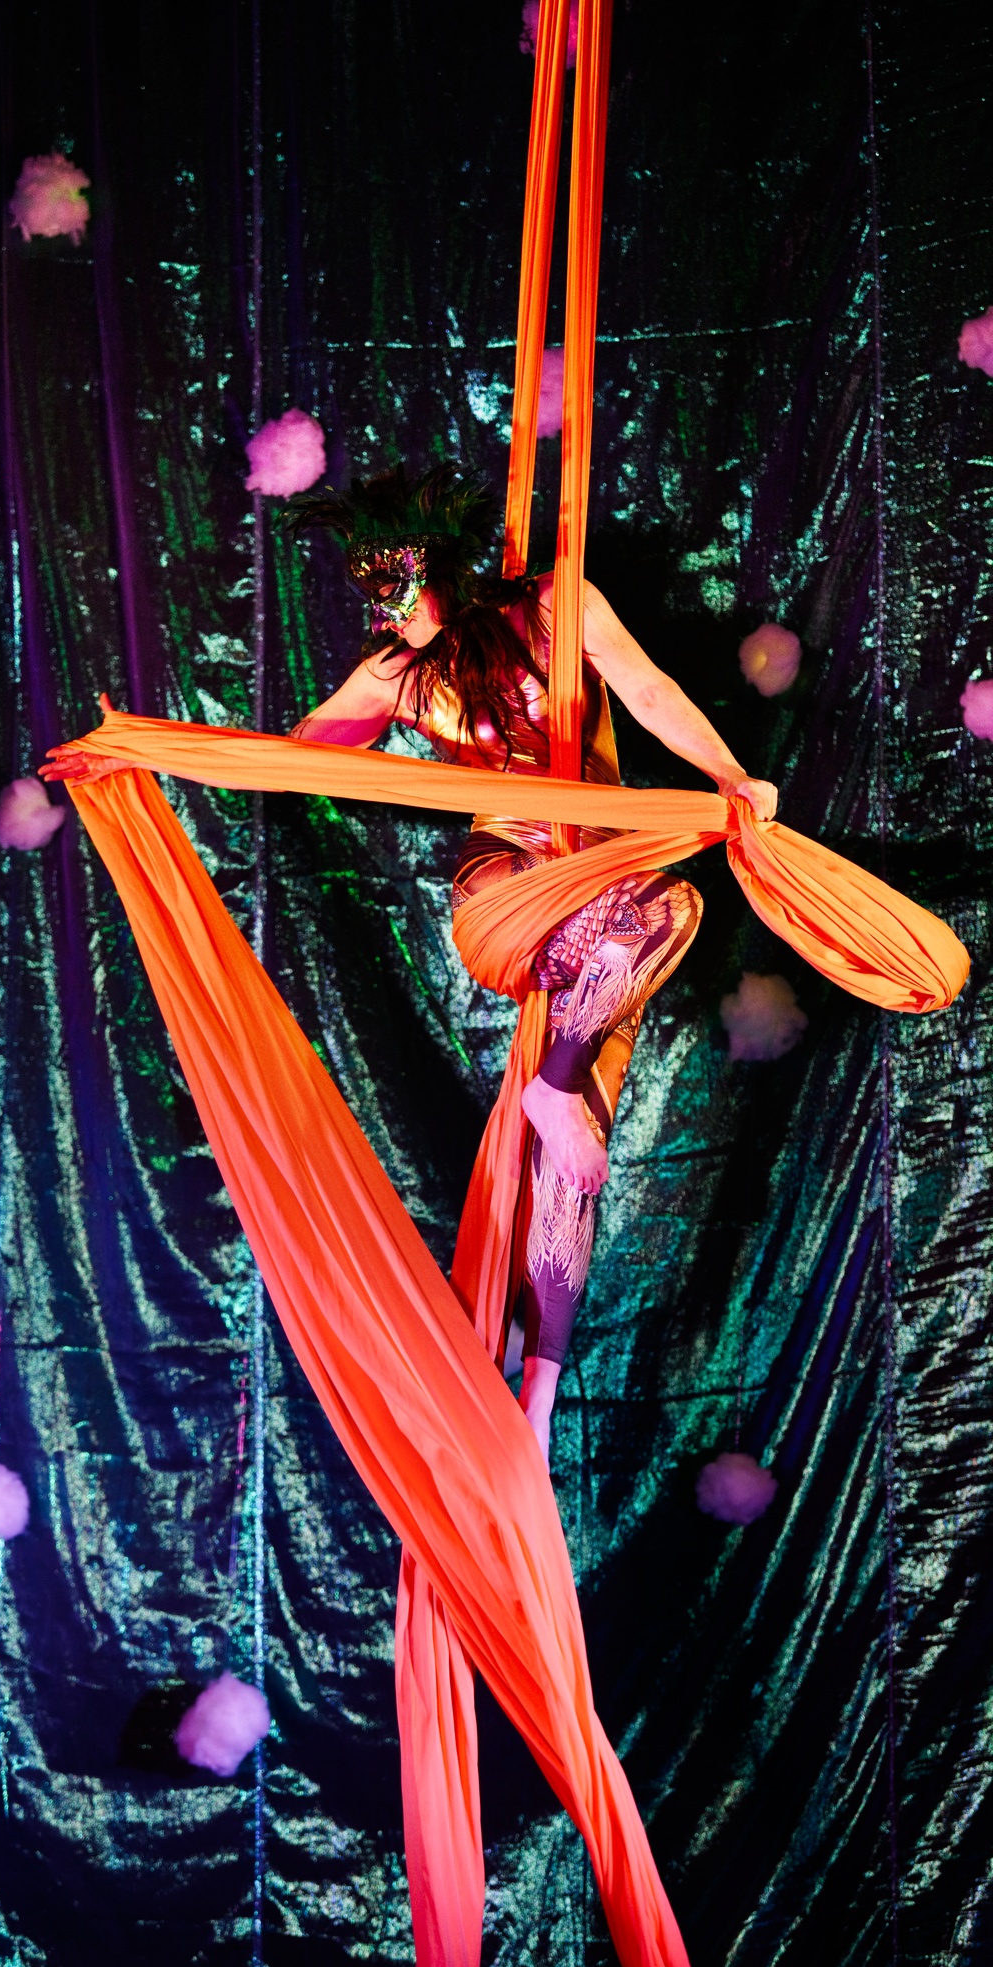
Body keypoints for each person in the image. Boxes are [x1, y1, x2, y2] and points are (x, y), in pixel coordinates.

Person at [289, 465, 777, 1462]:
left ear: (440, 565)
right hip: (506, 893)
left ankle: (536, 1406)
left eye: (394, 585)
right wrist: (178, 749)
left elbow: (648, 690)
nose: (383, 610)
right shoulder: (396, 672)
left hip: (603, 917)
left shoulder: (556, 606)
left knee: (579, 1155)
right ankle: (551, 1087)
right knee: (644, 923)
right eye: (368, 591)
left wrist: (732, 777)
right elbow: (301, 750)